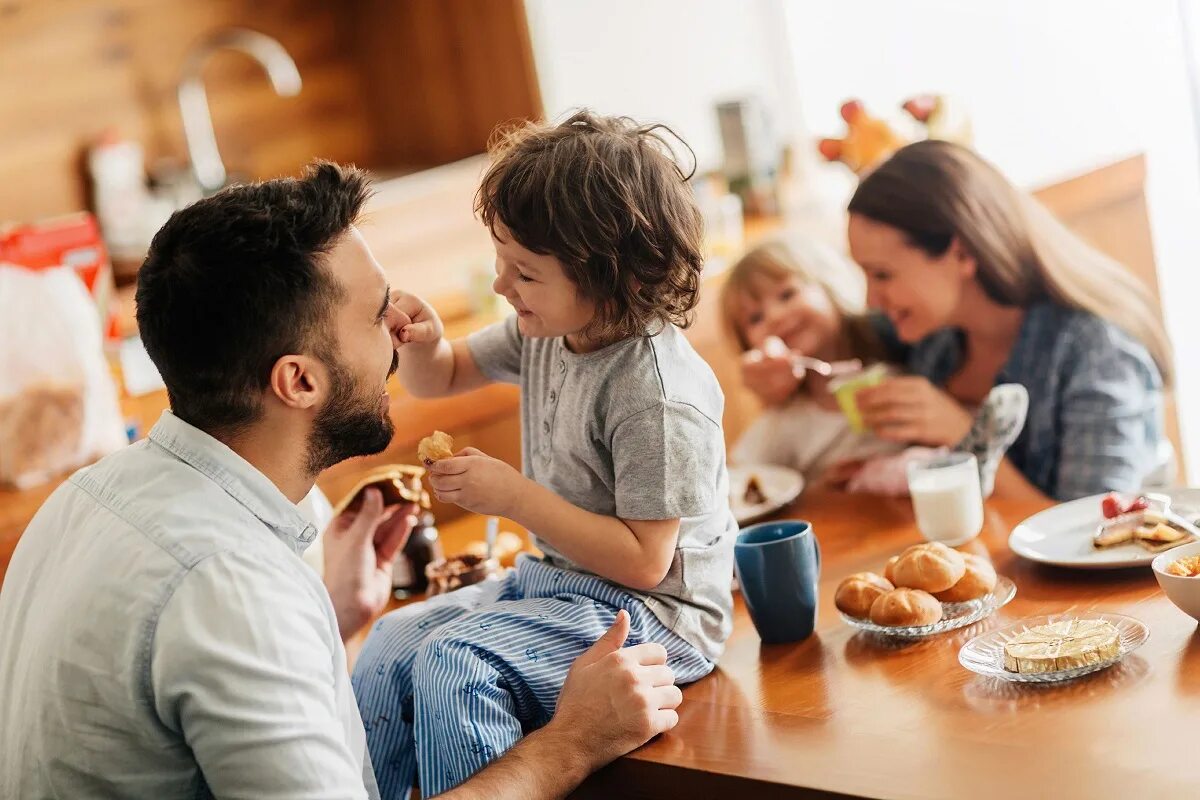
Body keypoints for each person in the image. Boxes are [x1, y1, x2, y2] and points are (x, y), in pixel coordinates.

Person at [0, 162, 682, 799]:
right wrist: (572, 742)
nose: (396, 330)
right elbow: (229, 619)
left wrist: (338, 624)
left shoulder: (82, 502)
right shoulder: (230, 590)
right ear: (298, 380)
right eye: (374, 313)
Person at [353, 111, 735, 799]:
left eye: (523, 273)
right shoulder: (550, 329)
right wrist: (423, 343)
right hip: (556, 586)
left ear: (615, 278)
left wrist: (514, 497)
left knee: (455, 663)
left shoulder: (656, 395)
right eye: (501, 263)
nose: (502, 286)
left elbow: (646, 563)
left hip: (658, 618)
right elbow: (440, 377)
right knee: (390, 645)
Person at [847, 140, 1169, 501]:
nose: (871, 299)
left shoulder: (1097, 353)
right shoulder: (935, 333)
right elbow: (845, 333)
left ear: (962, 253)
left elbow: (1092, 533)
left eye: (882, 275)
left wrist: (965, 434)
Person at [721, 234, 902, 485]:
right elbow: (735, 483)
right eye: (755, 318)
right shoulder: (784, 421)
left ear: (830, 285)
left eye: (786, 295)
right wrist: (815, 489)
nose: (774, 316)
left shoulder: (905, 364)